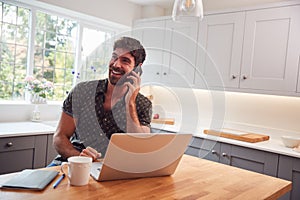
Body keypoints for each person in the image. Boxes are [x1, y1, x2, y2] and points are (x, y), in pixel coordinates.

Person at [49, 36, 152, 166]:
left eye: (125, 61)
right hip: (72, 163)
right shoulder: (82, 91)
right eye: (114, 57)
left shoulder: (143, 104)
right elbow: (59, 137)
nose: (116, 64)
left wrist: (130, 103)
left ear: (137, 68)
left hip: (111, 171)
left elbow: (140, 146)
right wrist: (80, 158)